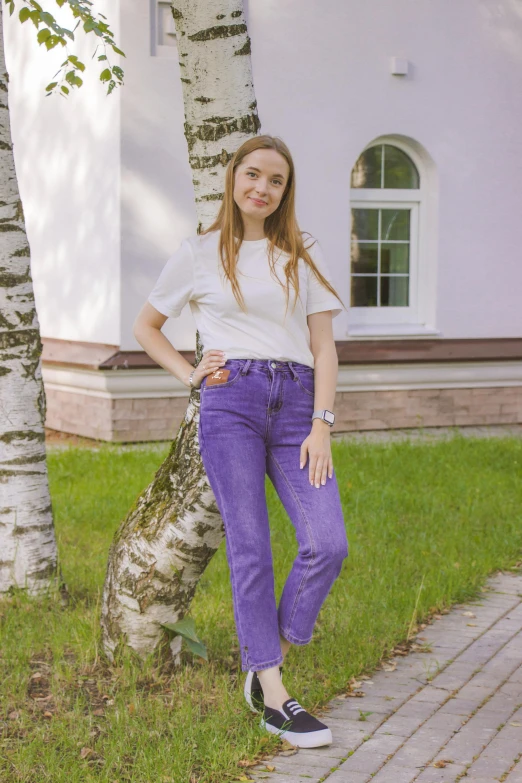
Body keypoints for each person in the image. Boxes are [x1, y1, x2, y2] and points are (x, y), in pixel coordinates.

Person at [134, 134, 349, 748]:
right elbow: (147, 327)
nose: (262, 187)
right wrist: (188, 374)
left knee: (326, 542)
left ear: (285, 192)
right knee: (250, 545)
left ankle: (264, 658)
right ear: (233, 179)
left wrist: (321, 425)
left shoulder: (301, 252)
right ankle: (276, 696)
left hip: (297, 407)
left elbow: (325, 347)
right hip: (231, 402)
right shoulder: (201, 252)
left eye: (275, 181)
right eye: (252, 174)